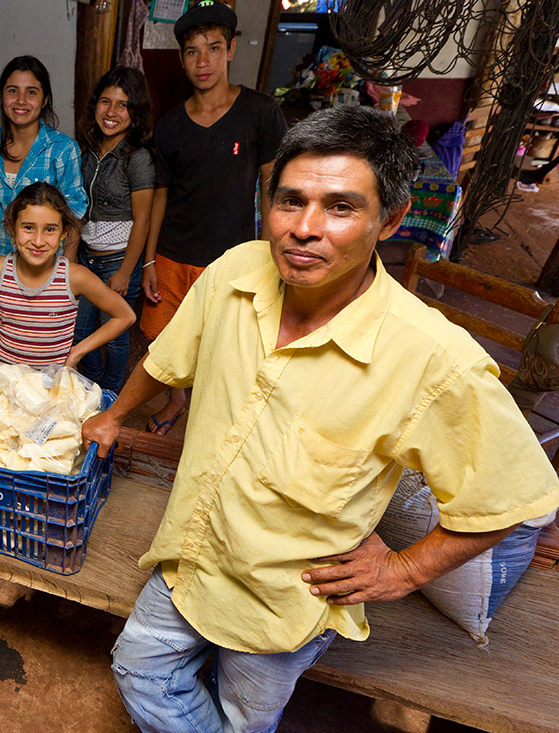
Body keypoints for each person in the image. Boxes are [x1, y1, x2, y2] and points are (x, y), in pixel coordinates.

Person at [82, 105, 559, 732]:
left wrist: (403, 570)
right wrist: (114, 415)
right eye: (290, 201)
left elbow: (509, 497)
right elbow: (170, 361)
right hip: (192, 559)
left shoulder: (432, 360)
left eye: (339, 207)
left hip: (284, 604)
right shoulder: (233, 274)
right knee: (140, 668)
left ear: (389, 219)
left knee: (244, 719)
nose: (303, 228)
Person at [141, 0, 287, 435]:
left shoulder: (260, 113)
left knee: (221, 344)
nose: (203, 60)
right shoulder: (169, 127)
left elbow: (272, 187)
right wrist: (150, 260)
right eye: (192, 51)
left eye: (213, 47)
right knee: (161, 337)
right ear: (182, 60)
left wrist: (273, 252)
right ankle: (176, 400)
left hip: (230, 257)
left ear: (231, 50)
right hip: (170, 253)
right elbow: (160, 196)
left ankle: (210, 417)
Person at [0, 182, 134, 369]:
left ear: (64, 232)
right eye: (28, 227)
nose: (38, 241)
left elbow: (125, 316)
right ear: (13, 229)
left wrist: (78, 351)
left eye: (50, 229)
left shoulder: (74, 277)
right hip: (8, 381)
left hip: (54, 386)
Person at [72, 67, 156, 392]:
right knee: (81, 332)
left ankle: (110, 394)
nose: (111, 112)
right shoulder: (86, 151)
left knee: (115, 338)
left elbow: (143, 221)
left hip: (117, 261)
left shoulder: (137, 158)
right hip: (86, 258)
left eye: (122, 104)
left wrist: (125, 271)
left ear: (135, 112)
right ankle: (93, 386)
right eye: (105, 101)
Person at [0, 55, 88, 261]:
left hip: (46, 268)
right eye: (12, 91)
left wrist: (66, 269)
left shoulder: (63, 150)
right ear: (2, 95)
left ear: (45, 99)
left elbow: (74, 212)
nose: (21, 100)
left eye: (31, 92)